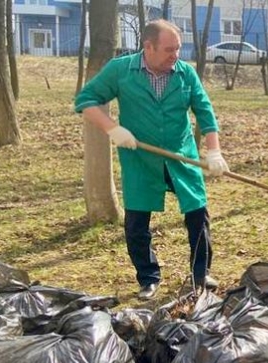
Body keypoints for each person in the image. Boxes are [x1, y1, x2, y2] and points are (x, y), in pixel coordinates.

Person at [75, 20, 229, 300]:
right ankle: (148, 278)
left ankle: (200, 274)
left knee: (197, 213)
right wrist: (112, 129)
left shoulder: (185, 73)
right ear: (148, 46)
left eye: (178, 49)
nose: (175, 55)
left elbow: (205, 112)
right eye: (169, 50)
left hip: (181, 156)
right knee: (136, 223)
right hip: (140, 160)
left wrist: (214, 151)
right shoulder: (121, 70)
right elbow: (85, 100)